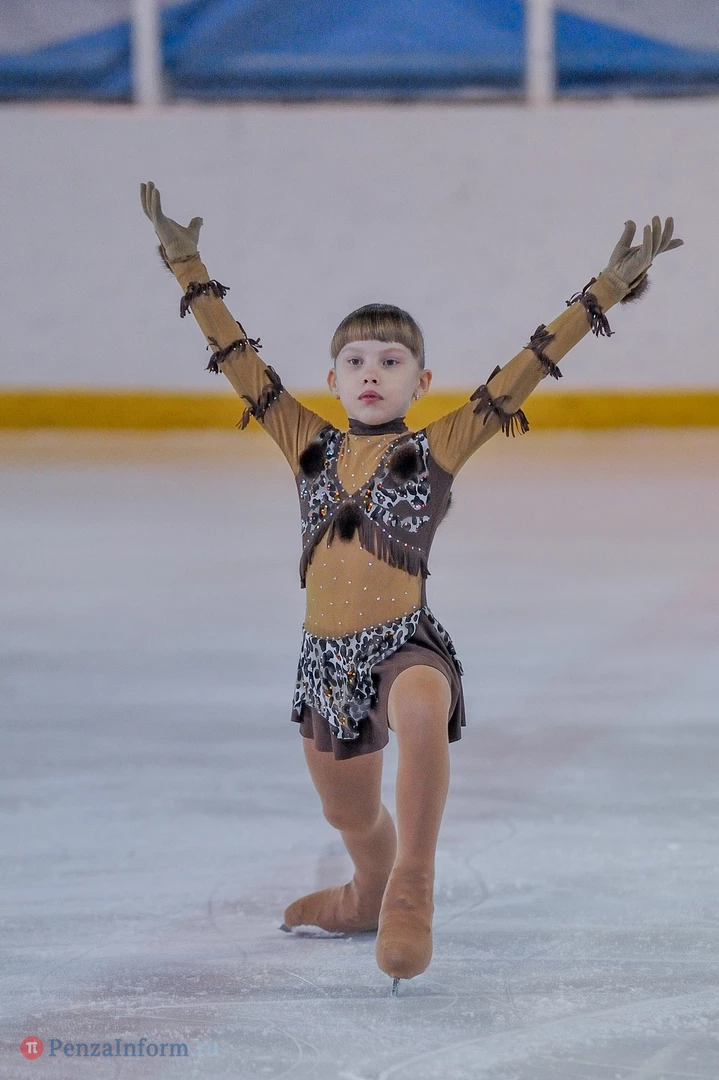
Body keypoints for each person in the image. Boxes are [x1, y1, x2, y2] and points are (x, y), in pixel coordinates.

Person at [140, 182, 682, 994]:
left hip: (405, 643)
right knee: (349, 813)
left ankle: (410, 888)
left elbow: (524, 373)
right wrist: (186, 264)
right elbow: (239, 362)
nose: (371, 373)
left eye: (390, 361)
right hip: (325, 663)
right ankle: (366, 892)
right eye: (355, 361)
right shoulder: (305, 440)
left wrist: (604, 290)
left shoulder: (436, 449)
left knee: (423, 707)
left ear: (420, 381)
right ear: (331, 377)